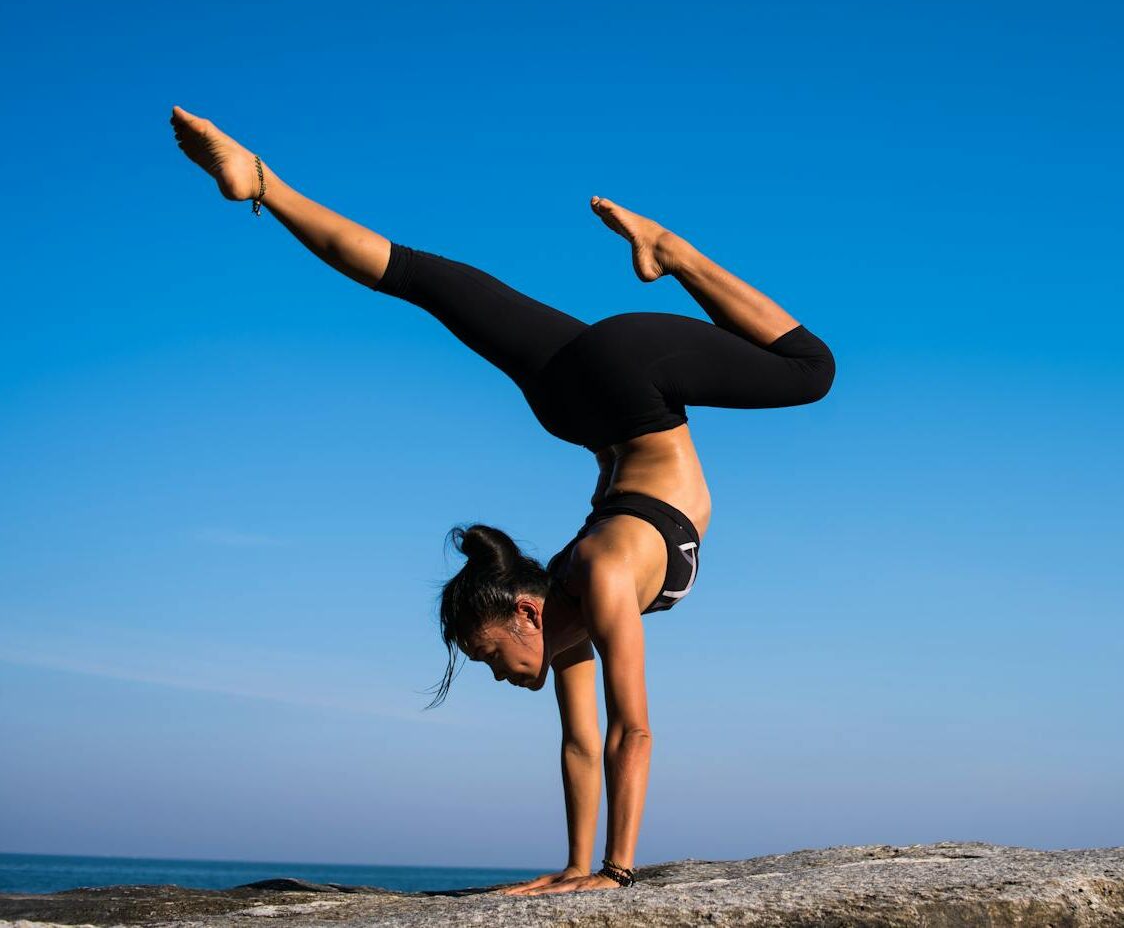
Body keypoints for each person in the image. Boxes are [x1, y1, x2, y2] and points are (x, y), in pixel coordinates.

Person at [169, 105, 836, 896]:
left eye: (487, 655)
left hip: (631, 384)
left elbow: (634, 730)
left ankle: (670, 249)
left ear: (525, 611)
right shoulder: (569, 610)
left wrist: (616, 875)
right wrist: (575, 869)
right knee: (420, 278)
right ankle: (263, 184)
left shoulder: (596, 577)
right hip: (577, 400)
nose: (496, 675)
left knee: (809, 370)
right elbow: (582, 746)